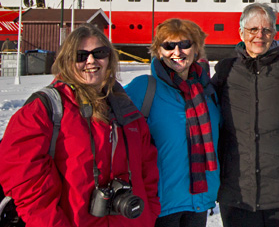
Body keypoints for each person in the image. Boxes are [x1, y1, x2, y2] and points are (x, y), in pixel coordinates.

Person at [0, 24, 160, 226]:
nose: (91, 60)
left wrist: (149, 212)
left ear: (110, 58)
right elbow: (24, 181)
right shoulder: (45, 109)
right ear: (67, 61)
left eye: (99, 53)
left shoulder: (125, 108)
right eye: (80, 55)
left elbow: (148, 171)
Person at [212, 3, 279, 227]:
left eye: (266, 30)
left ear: (274, 32)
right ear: (241, 32)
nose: (259, 36)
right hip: (237, 192)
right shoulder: (226, 71)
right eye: (253, 30)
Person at [125, 18, 220, 227]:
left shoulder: (207, 91)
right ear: (159, 51)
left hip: (199, 201)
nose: (177, 51)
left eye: (185, 44)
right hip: (160, 204)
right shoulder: (143, 89)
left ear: (196, 49)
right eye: (169, 45)